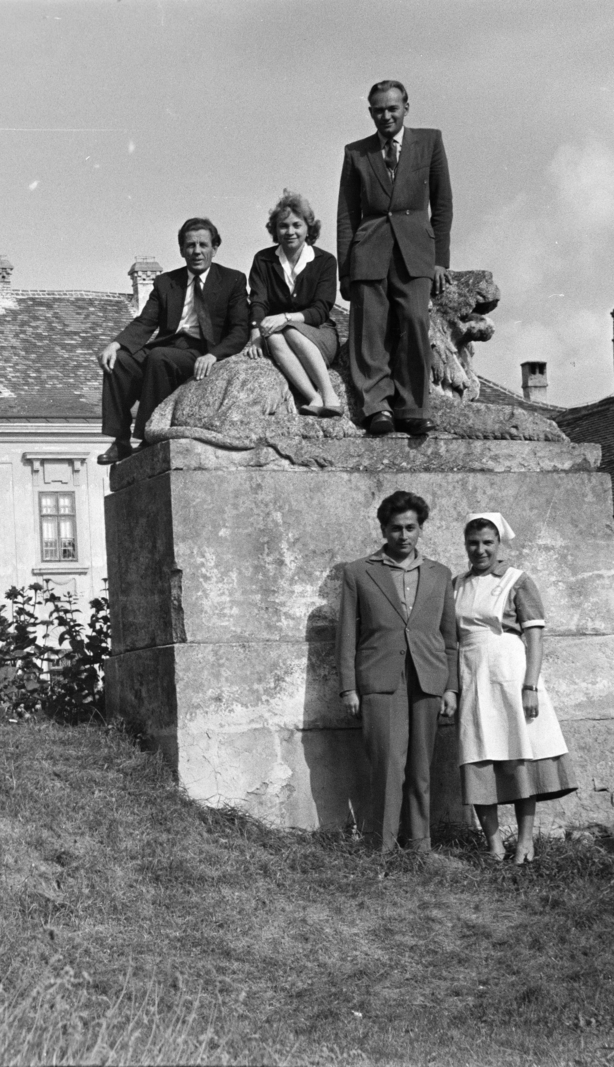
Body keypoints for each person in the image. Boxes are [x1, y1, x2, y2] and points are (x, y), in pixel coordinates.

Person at [337, 490, 459, 854]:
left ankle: (420, 846)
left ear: (421, 528)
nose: (403, 536)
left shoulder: (440, 574)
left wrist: (451, 688)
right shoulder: (359, 572)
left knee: (422, 768)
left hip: (428, 678)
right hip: (380, 679)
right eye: (395, 529)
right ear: (383, 530)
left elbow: (450, 638)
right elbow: (346, 636)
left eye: (410, 528)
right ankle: (382, 847)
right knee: (388, 766)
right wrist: (348, 688)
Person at [453, 513, 577, 864]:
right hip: (470, 671)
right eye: (473, 543)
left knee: (518, 752)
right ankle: (493, 845)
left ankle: (525, 841)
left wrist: (530, 685)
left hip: (510, 670)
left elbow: (534, 637)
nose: (480, 550)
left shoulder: (517, 581)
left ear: (499, 544)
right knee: (476, 754)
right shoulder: (457, 584)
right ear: (466, 545)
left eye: (487, 543)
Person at [336, 79, 453, 437]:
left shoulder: (429, 142)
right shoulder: (356, 153)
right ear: (370, 112)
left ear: (406, 107)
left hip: (416, 251)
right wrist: (346, 270)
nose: (386, 116)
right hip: (369, 252)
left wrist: (440, 260)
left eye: (392, 108)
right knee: (370, 331)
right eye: (378, 110)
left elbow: (442, 203)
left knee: (415, 324)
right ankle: (377, 408)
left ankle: (412, 407)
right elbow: (346, 215)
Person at [96, 217, 250, 464]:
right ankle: (121, 440)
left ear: (215, 248)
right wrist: (116, 344)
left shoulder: (233, 280)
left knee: (159, 357)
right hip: (168, 346)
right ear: (181, 250)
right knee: (120, 362)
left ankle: (149, 436)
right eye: (190, 245)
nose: (197, 251)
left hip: (203, 351)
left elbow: (240, 330)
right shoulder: (167, 282)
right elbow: (146, 321)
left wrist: (214, 355)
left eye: (203, 245)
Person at [241, 190, 343, 417]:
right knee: (276, 337)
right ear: (275, 230)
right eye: (283, 226)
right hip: (277, 333)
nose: (290, 232)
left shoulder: (325, 261)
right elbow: (258, 300)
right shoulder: (263, 259)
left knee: (291, 331)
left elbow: (320, 310)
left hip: (319, 332)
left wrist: (286, 318)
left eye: (297, 225)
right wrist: (255, 334)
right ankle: (313, 398)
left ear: (309, 228)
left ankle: (330, 395)